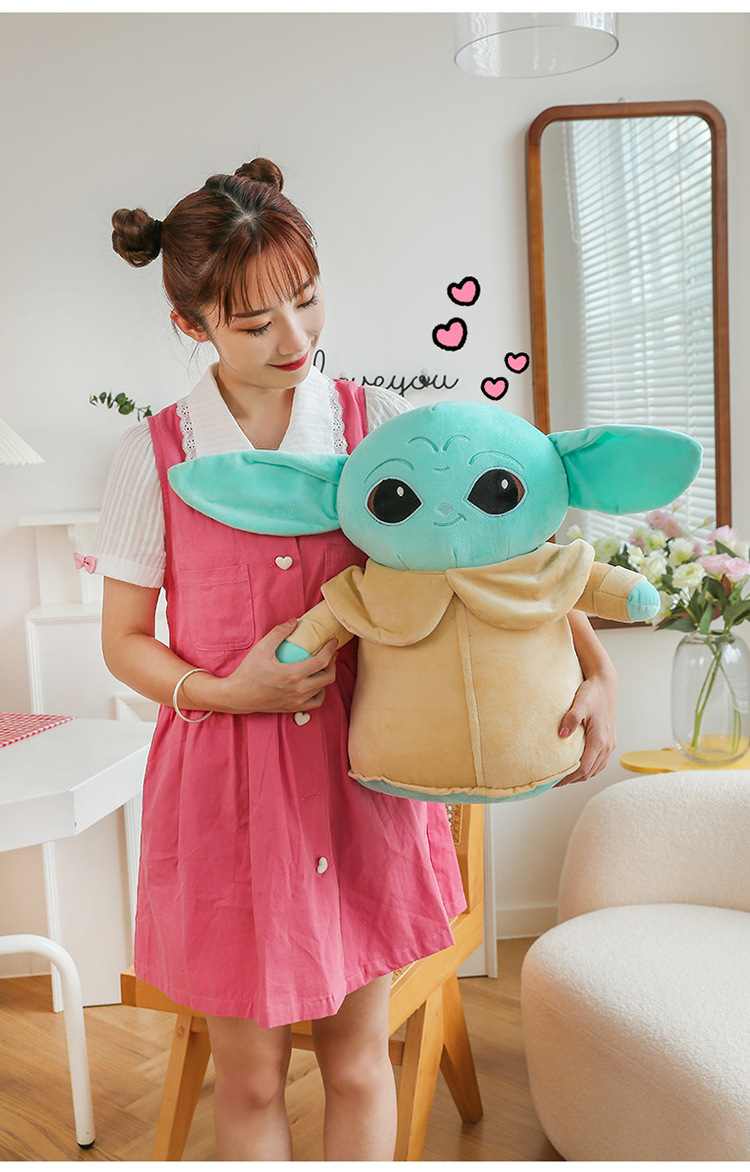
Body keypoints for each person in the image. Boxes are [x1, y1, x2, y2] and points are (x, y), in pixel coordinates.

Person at [86, 157, 617, 1161]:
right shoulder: (152, 455)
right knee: (249, 1077)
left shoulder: (381, 430)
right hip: (226, 792)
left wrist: (596, 664)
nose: (295, 338)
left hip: (364, 777)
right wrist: (224, 689)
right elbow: (122, 641)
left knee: (360, 1063)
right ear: (190, 325)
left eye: (307, 298)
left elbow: (495, 563)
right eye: (255, 322)